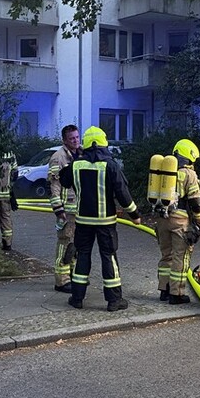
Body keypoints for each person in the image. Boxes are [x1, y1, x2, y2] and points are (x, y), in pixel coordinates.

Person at [60, 126, 140, 312]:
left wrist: (73, 160)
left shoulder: (77, 164)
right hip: (105, 223)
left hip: (83, 221)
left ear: (86, 144)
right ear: (104, 143)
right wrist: (135, 215)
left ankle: (77, 298)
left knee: (82, 256)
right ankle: (114, 300)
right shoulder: (110, 165)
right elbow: (123, 193)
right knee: (108, 257)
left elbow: (63, 180)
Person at [156, 138, 200, 305]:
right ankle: (176, 294)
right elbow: (195, 202)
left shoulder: (163, 171)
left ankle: (164, 290)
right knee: (181, 257)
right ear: (190, 157)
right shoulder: (189, 174)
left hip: (162, 219)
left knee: (166, 255)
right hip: (180, 220)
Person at [47, 124, 80, 293]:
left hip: (79, 209)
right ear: (64, 140)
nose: (75, 141)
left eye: (77, 137)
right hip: (66, 210)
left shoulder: (81, 154)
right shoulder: (58, 157)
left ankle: (73, 275)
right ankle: (61, 280)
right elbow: (54, 186)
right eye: (71, 138)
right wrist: (58, 210)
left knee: (75, 244)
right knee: (64, 243)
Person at [0, 150, 19, 251]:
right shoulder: (10, 153)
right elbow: (15, 172)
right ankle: (7, 243)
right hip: (5, 193)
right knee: (6, 218)